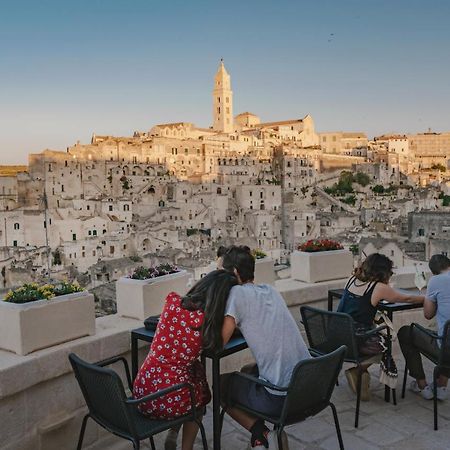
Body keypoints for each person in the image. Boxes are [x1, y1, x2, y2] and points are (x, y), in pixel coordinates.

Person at [133, 270, 238, 450]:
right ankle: (186, 448)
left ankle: (173, 434)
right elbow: (217, 345)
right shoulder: (206, 325)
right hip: (166, 400)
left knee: (191, 374)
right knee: (201, 398)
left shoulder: (172, 301)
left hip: (143, 392)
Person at [221, 245, 311, 450]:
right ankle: (261, 440)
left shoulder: (237, 294)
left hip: (281, 399)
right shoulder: (271, 290)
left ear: (234, 272)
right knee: (246, 372)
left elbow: (220, 342)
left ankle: (262, 433)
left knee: (221, 385)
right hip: (309, 389)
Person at [338, 253, 424, 400]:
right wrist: (426, 298)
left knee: (378, 337)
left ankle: (359, 374)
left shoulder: (352, 280)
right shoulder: (378, 287)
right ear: (383, 271)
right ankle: (358, 371)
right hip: (356, 338)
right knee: (385, 345)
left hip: (337, 335)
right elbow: (406, 298)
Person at [398, 254, 450, 400]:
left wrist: (431, 297)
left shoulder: (436, 281)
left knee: (406, 333)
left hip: (446, 351)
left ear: (433, 272)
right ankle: (441, 385)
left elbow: (428, 314)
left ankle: (422, 385)